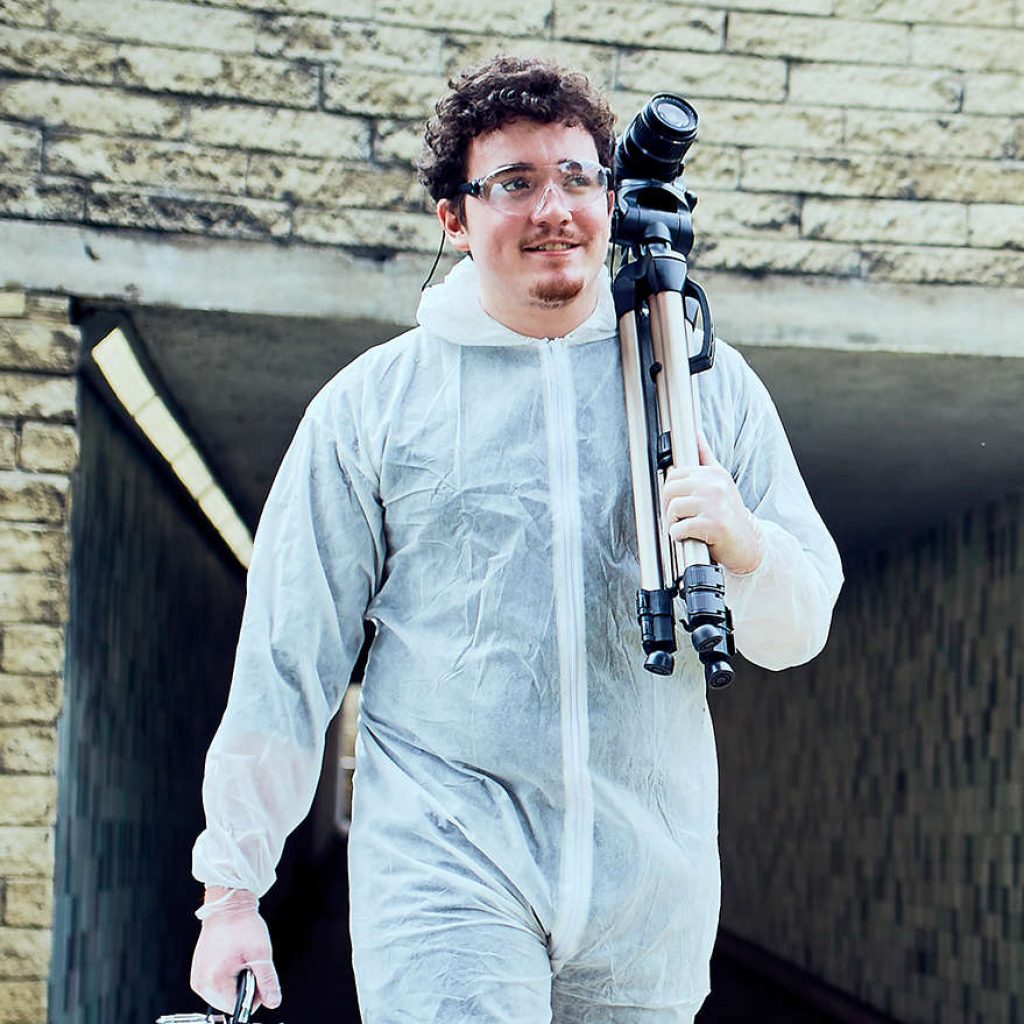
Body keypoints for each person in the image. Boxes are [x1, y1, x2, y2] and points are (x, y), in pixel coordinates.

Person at [189, 56, 843, 1023]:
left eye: (578, 178)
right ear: (453, 216)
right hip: (446, 872)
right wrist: (232, 891)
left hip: (646, 891)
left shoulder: (698, 381)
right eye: (514, 183)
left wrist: (745, 547)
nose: (554, 209)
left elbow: (799, 628)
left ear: (612, 198)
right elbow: (290, 655)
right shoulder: (375, 407)